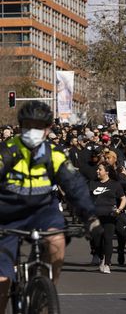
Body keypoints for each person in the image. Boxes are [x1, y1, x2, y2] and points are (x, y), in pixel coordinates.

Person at [0, 101, 101, 312]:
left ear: (48, 129)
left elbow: (75, 186)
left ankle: (46, 292)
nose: (33, 131)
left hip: (43, 212)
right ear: (20, 126)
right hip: (6, 215)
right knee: (2, 281)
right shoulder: (7, 151)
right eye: (29, 125)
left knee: (57, 241)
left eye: (40, 126)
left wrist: (90, 217)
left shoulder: (54, 154)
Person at [89, 163, 126, 274]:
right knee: (96, 241)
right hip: (95, 217)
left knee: (108, 239)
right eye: (97, 169)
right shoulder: (92, 183)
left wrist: (119, 210)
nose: (97, 171)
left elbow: (123, 199)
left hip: (110, 216)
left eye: (99, 169)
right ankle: (101, 257)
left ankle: (107, 263)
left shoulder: (115, 184)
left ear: (106, 172)